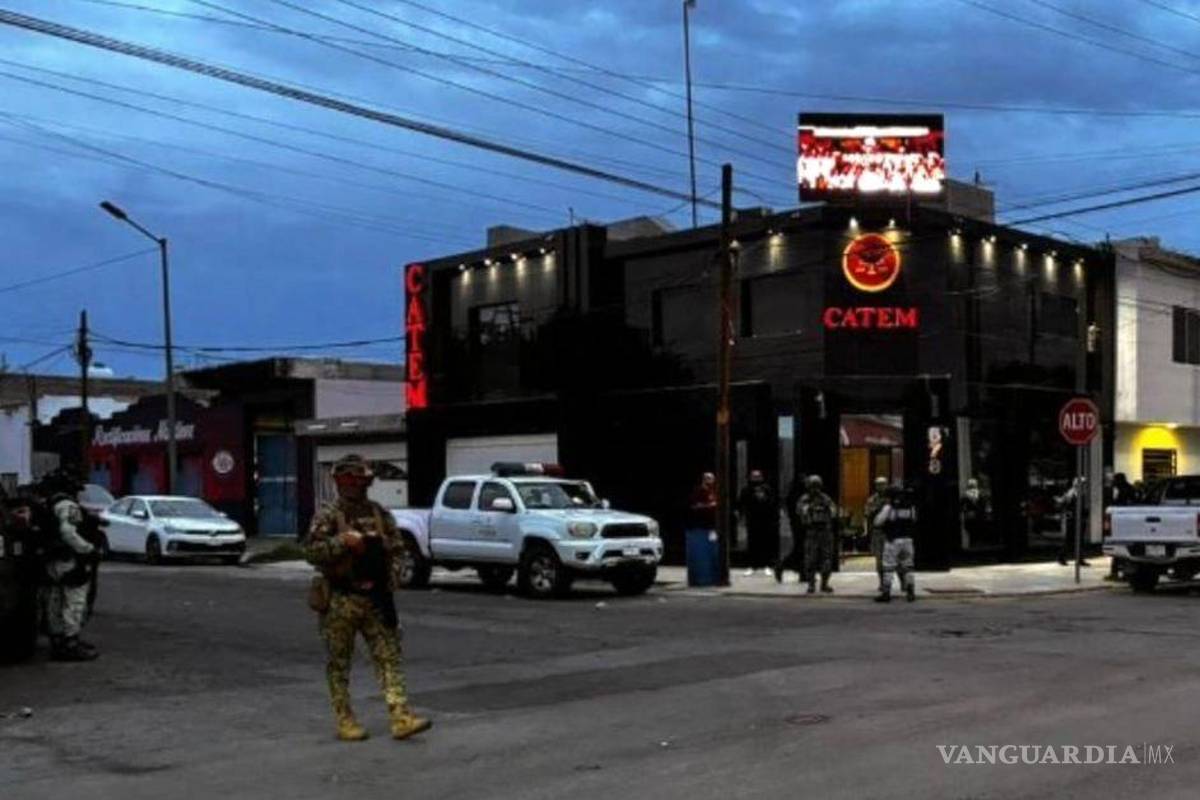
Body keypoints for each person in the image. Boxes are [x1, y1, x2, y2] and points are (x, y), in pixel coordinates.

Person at [305, 454, 431, 742]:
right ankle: (345, 719)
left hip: (376, 598)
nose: (356, 487)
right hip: (340, 598)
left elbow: (399, 550)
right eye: (351, 481)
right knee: (339, 662)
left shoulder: (378, 513)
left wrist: (393, 573)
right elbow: (311, 552)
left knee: (389, 656)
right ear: (340, 482)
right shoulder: (328, 514)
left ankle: (400, 716)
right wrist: (342, 542)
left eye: (361, 481)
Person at [38, 469, 100, 661]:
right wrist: (88, 549)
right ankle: (70, 642)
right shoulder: (68, 505)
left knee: (55, 600)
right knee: (74, 600)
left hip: (52, 560)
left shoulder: (47, 504)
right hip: (69, 559)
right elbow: (68, 532)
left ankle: (57, 641)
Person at [874, 485, 918, 603]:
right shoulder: (910, 506)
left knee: (888, 566)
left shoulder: (889, 507)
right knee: (908, 566)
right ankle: (911, 592)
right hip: (908, 540)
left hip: (893, 540)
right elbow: (914, 520)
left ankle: (886, 593)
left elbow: (878, 522)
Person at [798, 475, 838, 594]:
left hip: (825, 531)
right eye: (812, 486)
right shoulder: (805, 499)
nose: (815, 489)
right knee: (810, 559)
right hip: (812, 531)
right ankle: (811, 584)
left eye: (817, 486)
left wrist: (826, 508)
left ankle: (824, 584)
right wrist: (810, 508)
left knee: (826, 559)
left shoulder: (825, 498)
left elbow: (833, 511)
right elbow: (801, 511)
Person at [736, 470, 778, 577]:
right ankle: (752, 566)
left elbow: (773, 503)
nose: (756, 479)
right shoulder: (746, 490)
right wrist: (740, 517)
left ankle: (767, 565)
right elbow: (741, 504)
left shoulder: (767, 489)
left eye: (758, 476)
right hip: (752, 520)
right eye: (754, 477)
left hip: (766, 521)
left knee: (766, 543)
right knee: (752, 543)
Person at [774, 475, 808, 584]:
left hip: (799, 524)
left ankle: (802, 572)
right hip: (800, 524)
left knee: (802, 549)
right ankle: (783, 566)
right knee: (801, 549)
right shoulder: (799, 496)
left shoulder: (795, 495)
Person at [1056, 477, 1090, 568]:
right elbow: (1063, 505)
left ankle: (1080, 559)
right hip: (1072, 521)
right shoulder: (1070, 493)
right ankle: (1061, 557)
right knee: (1069, 540)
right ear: (1077, 484)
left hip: (1079, 520)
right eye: (1082, 484)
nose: (1084, 486)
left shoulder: (1080, 494)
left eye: (1084, 484)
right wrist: (1068, 514)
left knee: (1079, 541)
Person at [863, 477, 890, 586]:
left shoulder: (892, 498)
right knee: (879, 560)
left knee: (895, 559)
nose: (881, 487)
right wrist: (877, 508)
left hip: (891, 532)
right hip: (878, 532)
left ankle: (902, 582)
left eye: (883, 484)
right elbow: (867, 513)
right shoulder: (872, 500)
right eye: (879, 484)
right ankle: (882, 583)